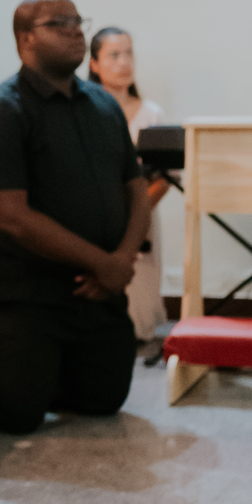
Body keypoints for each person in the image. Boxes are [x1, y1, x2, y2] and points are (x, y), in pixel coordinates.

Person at [0, 0, 150, 434]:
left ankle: (32, 369)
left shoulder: (103, 107)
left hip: (95, 288)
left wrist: (120, 260)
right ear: (26, 38)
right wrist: (103, 263)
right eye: (59, 23)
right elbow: (13, 218)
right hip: (27, 290)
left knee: (103, 400)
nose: (75, 30)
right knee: (18, 413)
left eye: (77, 21)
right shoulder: (1, 111)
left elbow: (135, 189)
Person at [88, 26, 168, 342]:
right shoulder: (85, 112)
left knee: (141, 281)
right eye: (113, 55)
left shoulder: (151, 114)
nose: (124, 62)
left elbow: (166, 175)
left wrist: (136, 211)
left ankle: (140, 334)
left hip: (143, 213)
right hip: (98, 215)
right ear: (94, 64)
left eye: (129, 53)